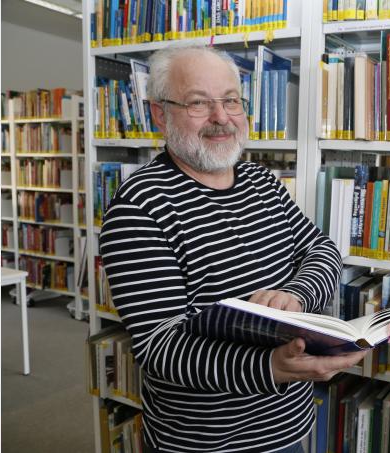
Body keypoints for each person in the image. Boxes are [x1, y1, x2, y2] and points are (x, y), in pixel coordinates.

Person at [99, 44, 367, 453]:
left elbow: (323, 250)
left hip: (289, 425)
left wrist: (296, 295)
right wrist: (270, 367)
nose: (221, 117)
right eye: (198, 103)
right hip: (206, 443)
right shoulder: (139, 207)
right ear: (159, 113)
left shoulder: (262, 182)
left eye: (230, 100)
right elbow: (160, 347)